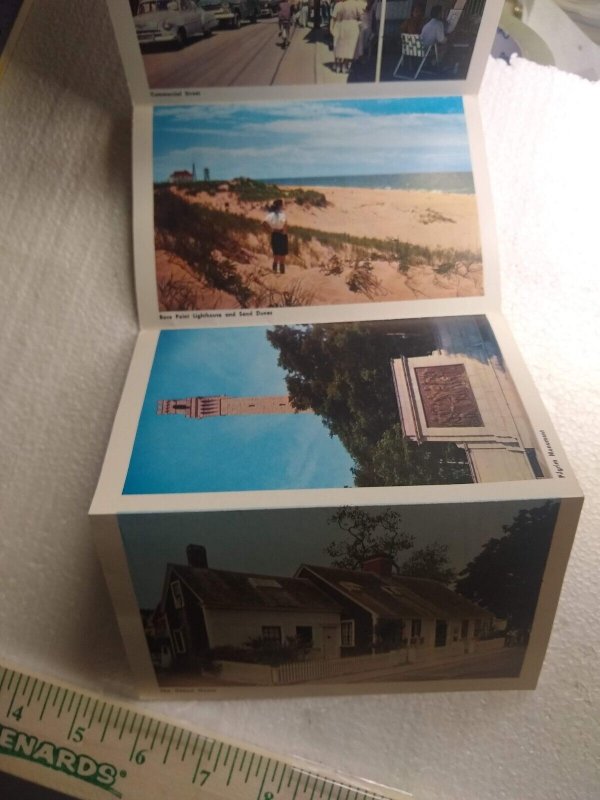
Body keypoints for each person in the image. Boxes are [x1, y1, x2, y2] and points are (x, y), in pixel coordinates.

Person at [330, 0, 364, 74]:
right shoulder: (356, 4)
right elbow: (361, 17)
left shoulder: (340, 5)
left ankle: (338, 67)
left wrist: (331, 28)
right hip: (352, 26)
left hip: (343, 24)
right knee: (349, 48)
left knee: (341, 46)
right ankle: (345, 66)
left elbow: (334, 17)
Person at [263, 199, 288, 274]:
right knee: (279, 254)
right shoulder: (276, 215)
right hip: (278, 234)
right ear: (279, 206)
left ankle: (278, 272)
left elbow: (264, 223)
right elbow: (264, 223)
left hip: (278, 234)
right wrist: (271, 230)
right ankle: (278, 272)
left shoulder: (275, 214)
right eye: (281, 205)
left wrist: (270, 230)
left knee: (279, 254)